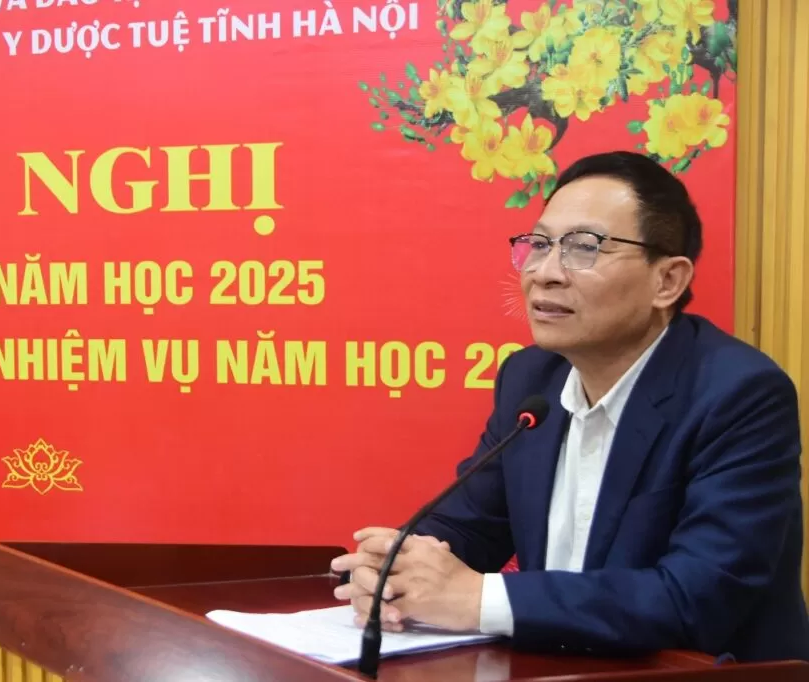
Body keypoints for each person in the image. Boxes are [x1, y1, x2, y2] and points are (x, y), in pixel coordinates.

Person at [330, 151, 809, 662]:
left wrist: (477, 599)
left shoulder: (738, 394)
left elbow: (695, 597)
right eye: (538, 245)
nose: (545, 273)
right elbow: (469, 527)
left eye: (584, 248)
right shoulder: (530, 379)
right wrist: (397, 570)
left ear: (667, 281)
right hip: (557, 666)